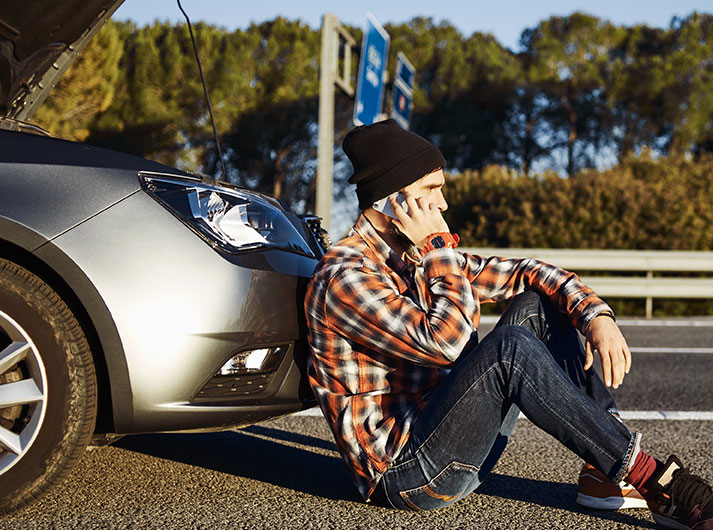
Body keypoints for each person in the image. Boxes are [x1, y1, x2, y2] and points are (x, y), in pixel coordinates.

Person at [304, 119, 713, 528]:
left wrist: (596, 315)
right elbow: (445, 343)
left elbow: (527, 271)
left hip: (450, 438)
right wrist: (437, 249)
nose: (443, 204)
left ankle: (603, 471)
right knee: (509, 349)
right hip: (406, 474)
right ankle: (657, 481)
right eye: (432, 189)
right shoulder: (345, 276)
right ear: (393, 202)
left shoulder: (414, 259)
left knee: (537, 302)